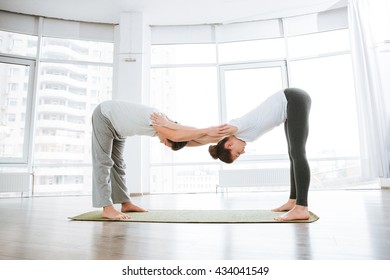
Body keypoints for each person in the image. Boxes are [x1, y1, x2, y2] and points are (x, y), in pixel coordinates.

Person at [92, 100, 229, 220]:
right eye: (165, 142)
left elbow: (189, 137)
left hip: (118, 128)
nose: (161, 142)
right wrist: (208, 130)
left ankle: (125, 203)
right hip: (105, 115)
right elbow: (181, 135)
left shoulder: (168, 127)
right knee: (103, 162)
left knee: (118, 164)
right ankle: (107, 207)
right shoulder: (158, 119)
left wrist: (214, 138)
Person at [208, 88, 312, 221]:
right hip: (290, 104)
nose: (243, 152)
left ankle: (302, 207)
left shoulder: (237, 127)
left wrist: (189, 137)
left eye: (238, 153)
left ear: (229, 145)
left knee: (298, 152)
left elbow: (224, 129)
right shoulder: (243, 135)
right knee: (293, 154)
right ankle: (293, 201)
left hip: (293, 99)